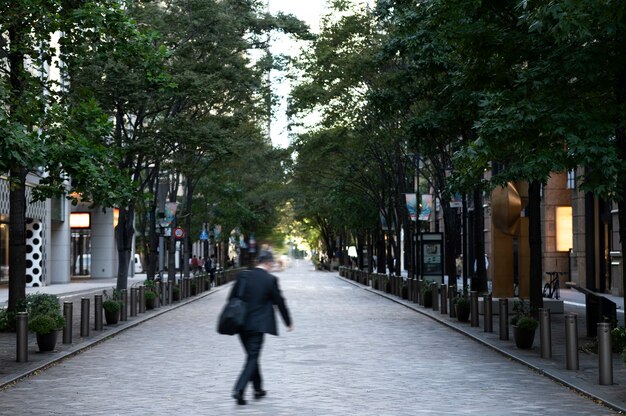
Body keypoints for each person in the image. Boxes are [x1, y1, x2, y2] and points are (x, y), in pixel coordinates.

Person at [229, 250, 293, 405]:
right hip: (258, 325)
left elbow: (232, 298)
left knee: (252, 356)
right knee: (253, 357)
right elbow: (280, 302)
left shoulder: (243, 276)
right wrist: (288, 322)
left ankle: (258, 389)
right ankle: (239, 389)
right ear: (269, 262)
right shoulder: (270, 280)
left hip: (240, 323)